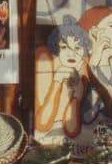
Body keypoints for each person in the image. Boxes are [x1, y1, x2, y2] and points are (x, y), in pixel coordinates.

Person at [34, 14, 90, 144]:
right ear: (56, 47)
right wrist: (57, 82)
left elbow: (72, 129)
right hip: (43, 137)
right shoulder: (46, 62)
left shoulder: (83, 70)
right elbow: (42, 124)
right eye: (64, 47)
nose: (71, 53)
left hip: (72, 140)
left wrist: (77, 97)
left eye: (77, 48)